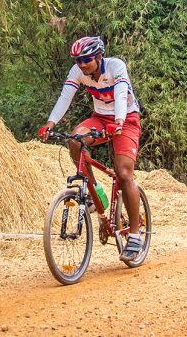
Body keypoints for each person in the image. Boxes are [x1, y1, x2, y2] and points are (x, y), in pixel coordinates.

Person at [37, 36, 144, 260]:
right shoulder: (78, 72)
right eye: (78, 60)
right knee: (75, 140)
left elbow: (122, 93)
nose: (82, 65)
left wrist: (120, 122)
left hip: (127, 119)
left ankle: (135, 236)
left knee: (124, 174)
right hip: (101, 118)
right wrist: (51, 123)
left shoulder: (116, 66)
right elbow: (65, 96)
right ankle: (96, 192)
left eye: (86, 60)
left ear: (98, 56)